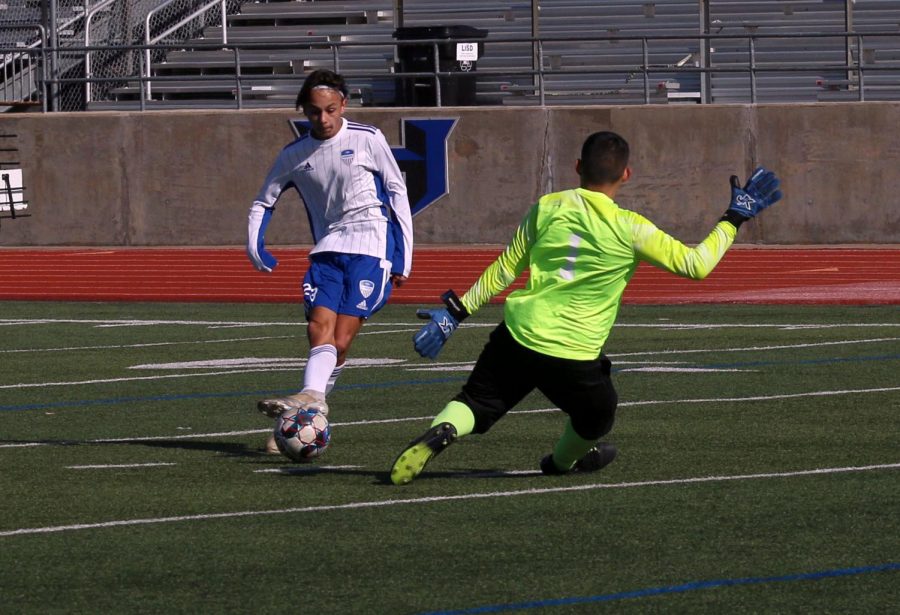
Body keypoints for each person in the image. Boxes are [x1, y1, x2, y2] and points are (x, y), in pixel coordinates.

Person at [389, 131, 782, 485]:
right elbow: (696, 265)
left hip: (520, 333)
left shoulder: (548, 206)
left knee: (475, 401)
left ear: (577, 166)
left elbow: (506, 268)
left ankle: (442, 431)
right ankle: (561, 463)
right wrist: (734, 217)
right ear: (626, 174)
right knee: (599, 414)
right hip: (574, 351)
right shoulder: (631, 227)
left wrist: (454, 315)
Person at [247, 69, 413, 453]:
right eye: (314, 112)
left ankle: (310, 404)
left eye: (330, 110)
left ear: (343, 105)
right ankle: (311, 401)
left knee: (341, 338)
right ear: (304, 111)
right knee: (318, 327)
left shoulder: (368, 138)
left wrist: (404, 257)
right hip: (327, 248)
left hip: (372, 246)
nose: (323, 119)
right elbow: (263, 201)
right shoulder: (294, 155)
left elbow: (397, 192)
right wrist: (255, 245)